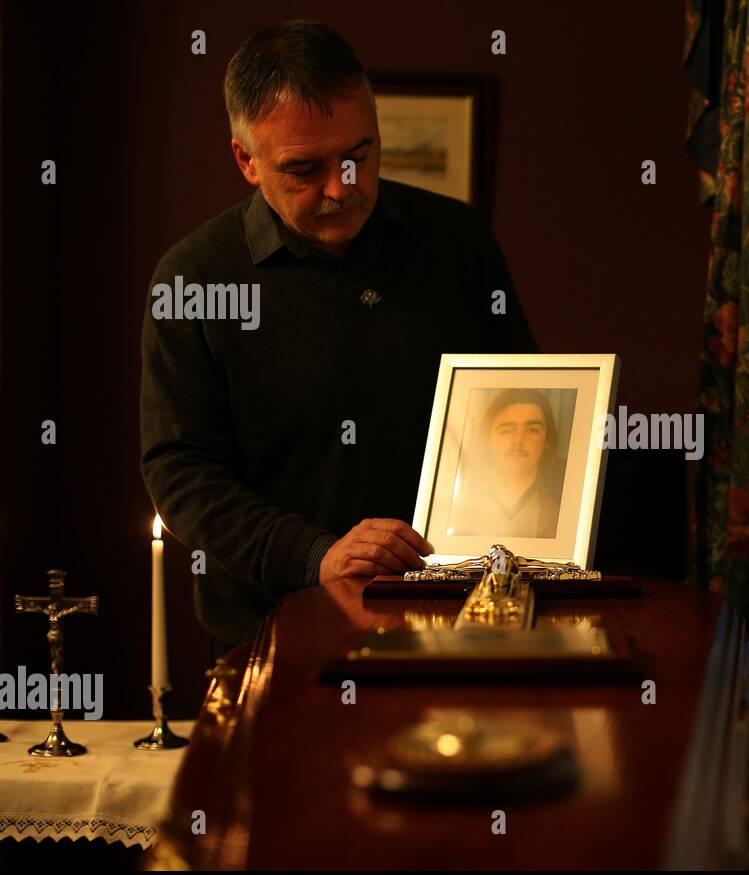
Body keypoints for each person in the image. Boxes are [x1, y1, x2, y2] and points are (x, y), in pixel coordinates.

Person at [139, 20, 535, 659]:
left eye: (360, 154)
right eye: (304, 169)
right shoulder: (194, 277)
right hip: (270, 634)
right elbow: (179, 470)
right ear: (246, 159)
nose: (341, 187)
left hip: (454, 626)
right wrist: (316, 555)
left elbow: (522, 405)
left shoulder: (458, 244)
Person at [447, 389, 564, 539]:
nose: (518, 440)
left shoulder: (564, 513)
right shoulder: (456, 509)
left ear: (548, 441)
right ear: (486, 438)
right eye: (506, 430)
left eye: (532, 430)